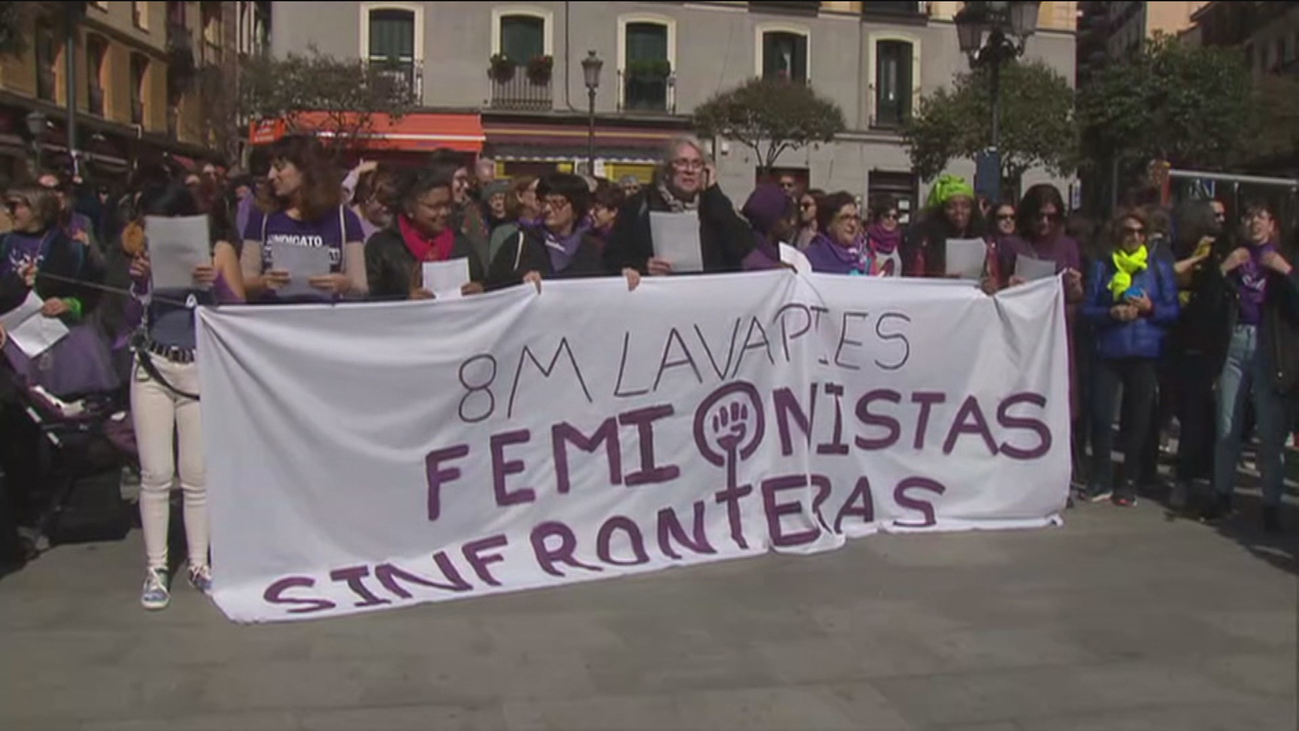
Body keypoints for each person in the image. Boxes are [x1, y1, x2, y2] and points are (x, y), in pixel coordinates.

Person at [123, 183, 245, 609]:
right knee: (156, 472)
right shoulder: (144, 257)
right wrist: (139, 282)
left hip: (197, 367)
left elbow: (235, 315)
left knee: (197, 472)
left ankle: (199, 562)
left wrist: (216, 287)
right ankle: (156, 567)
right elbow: (127, 317)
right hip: (154, 366)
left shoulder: (214, 252)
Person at [1201, 201, 1298, 531]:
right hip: (1234, 341)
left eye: (1261, 217)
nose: (1254, 222)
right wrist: (1223, 268)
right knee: (1227, 424)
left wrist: (1286, 271)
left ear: (1272, 225)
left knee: (1270, 432)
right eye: (1248, 217)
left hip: (1270, 346)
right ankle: (1222, 494)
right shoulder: (1232, 257)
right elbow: (1206, 301)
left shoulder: (1283, 260)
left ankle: (1271, 503)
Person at [1079, 209, 1179, 507]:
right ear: (1118, 235)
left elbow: (1173, 311)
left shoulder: (1158, 268)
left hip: (1145, 351)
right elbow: (1087, 309)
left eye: (1139, 232)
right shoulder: (1103, 266)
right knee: (1100, 415)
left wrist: (1151, 308)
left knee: (1138, 421)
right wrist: (1111, 313)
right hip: (1109, 349)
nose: (1133, 236)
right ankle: (1102, 478)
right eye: (1127, 231)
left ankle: (1129, 481)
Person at [605, 136, 756, 283]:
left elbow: (743, 247)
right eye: (682, 163)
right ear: (668, 168)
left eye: (697, 164)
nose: (689, 170)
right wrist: (643, 265)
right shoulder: (640, 204)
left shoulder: (713, 204)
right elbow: (611, 258)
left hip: (706, 298)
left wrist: (713, 191)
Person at [241, 137, 368, 302]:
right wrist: (264, 282)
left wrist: (344, 285)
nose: (271, 176)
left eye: (279, 168)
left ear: (305, 169)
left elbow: (361, 287)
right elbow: (243, 282)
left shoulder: (344, 220)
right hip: (273, 320)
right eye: (270, 168)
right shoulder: (262, 217)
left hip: (323, 320)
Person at [1163, 200, 1225, 509]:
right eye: (1213, 216)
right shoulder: (1185, 249)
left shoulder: (1220, 251)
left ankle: (1212, 479)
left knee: (1213, 418)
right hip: (1184, 341)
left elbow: (1219, 294)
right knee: (1190, 416)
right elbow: (1174, 277)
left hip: (1214, 342)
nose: (1219, 221)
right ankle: (1185, 478)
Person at [365, 169, 485, 301]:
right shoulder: (383, 247)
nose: (444, 212)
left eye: (447, 205)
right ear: (409, 209)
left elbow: (484, 282)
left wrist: (480, 290)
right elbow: (370, 301)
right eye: (435, 207)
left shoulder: (460, 243)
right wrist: (405, 300)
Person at [489, 172, 605, 289]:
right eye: (544, 202)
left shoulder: (593, 249)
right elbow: (492, 283)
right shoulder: (520, 242)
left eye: (557, 203)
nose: (547, 209)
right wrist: (519, 279)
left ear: (576, 207)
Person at [904, 174, 988, 279]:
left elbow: (992, 276)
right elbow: (914, 279)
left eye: (965, 206)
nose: (959, 212)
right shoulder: (924, 241)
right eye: (951, 207)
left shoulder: (983, 240)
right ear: (940, 211)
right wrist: (941, 279)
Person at [803, 192, 873, 275]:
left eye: (856, 218)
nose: (853, 224)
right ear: (828, 223)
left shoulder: (865, 257)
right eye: (845, 218)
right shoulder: (810, 259)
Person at [740, 183, 797, 270]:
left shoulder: (777, 251)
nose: (792, 223)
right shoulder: (748, 253)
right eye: (787, 218)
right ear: (773, 221)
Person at [487, 176, 541, 265]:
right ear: (520, 195)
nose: (542, 196)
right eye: (537, 191)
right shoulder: (504, 233)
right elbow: (497, 271)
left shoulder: (549, 230)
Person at [351, 164, 397, 244]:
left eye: (390, 199)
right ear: (365, 198)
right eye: (382, 200)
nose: (386, 208)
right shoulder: (350, 229)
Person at [864, 195, 904, 277]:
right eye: (887, 216)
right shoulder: (866, 240)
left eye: (895, 217)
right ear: (878, 217)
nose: (891, 220)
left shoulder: (900, 241)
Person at [589, 180, 624, 247]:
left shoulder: (623, 242)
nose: (591, 213)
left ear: (613, 212)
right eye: (591, 208)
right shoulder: (588, 235)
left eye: (597, 210)